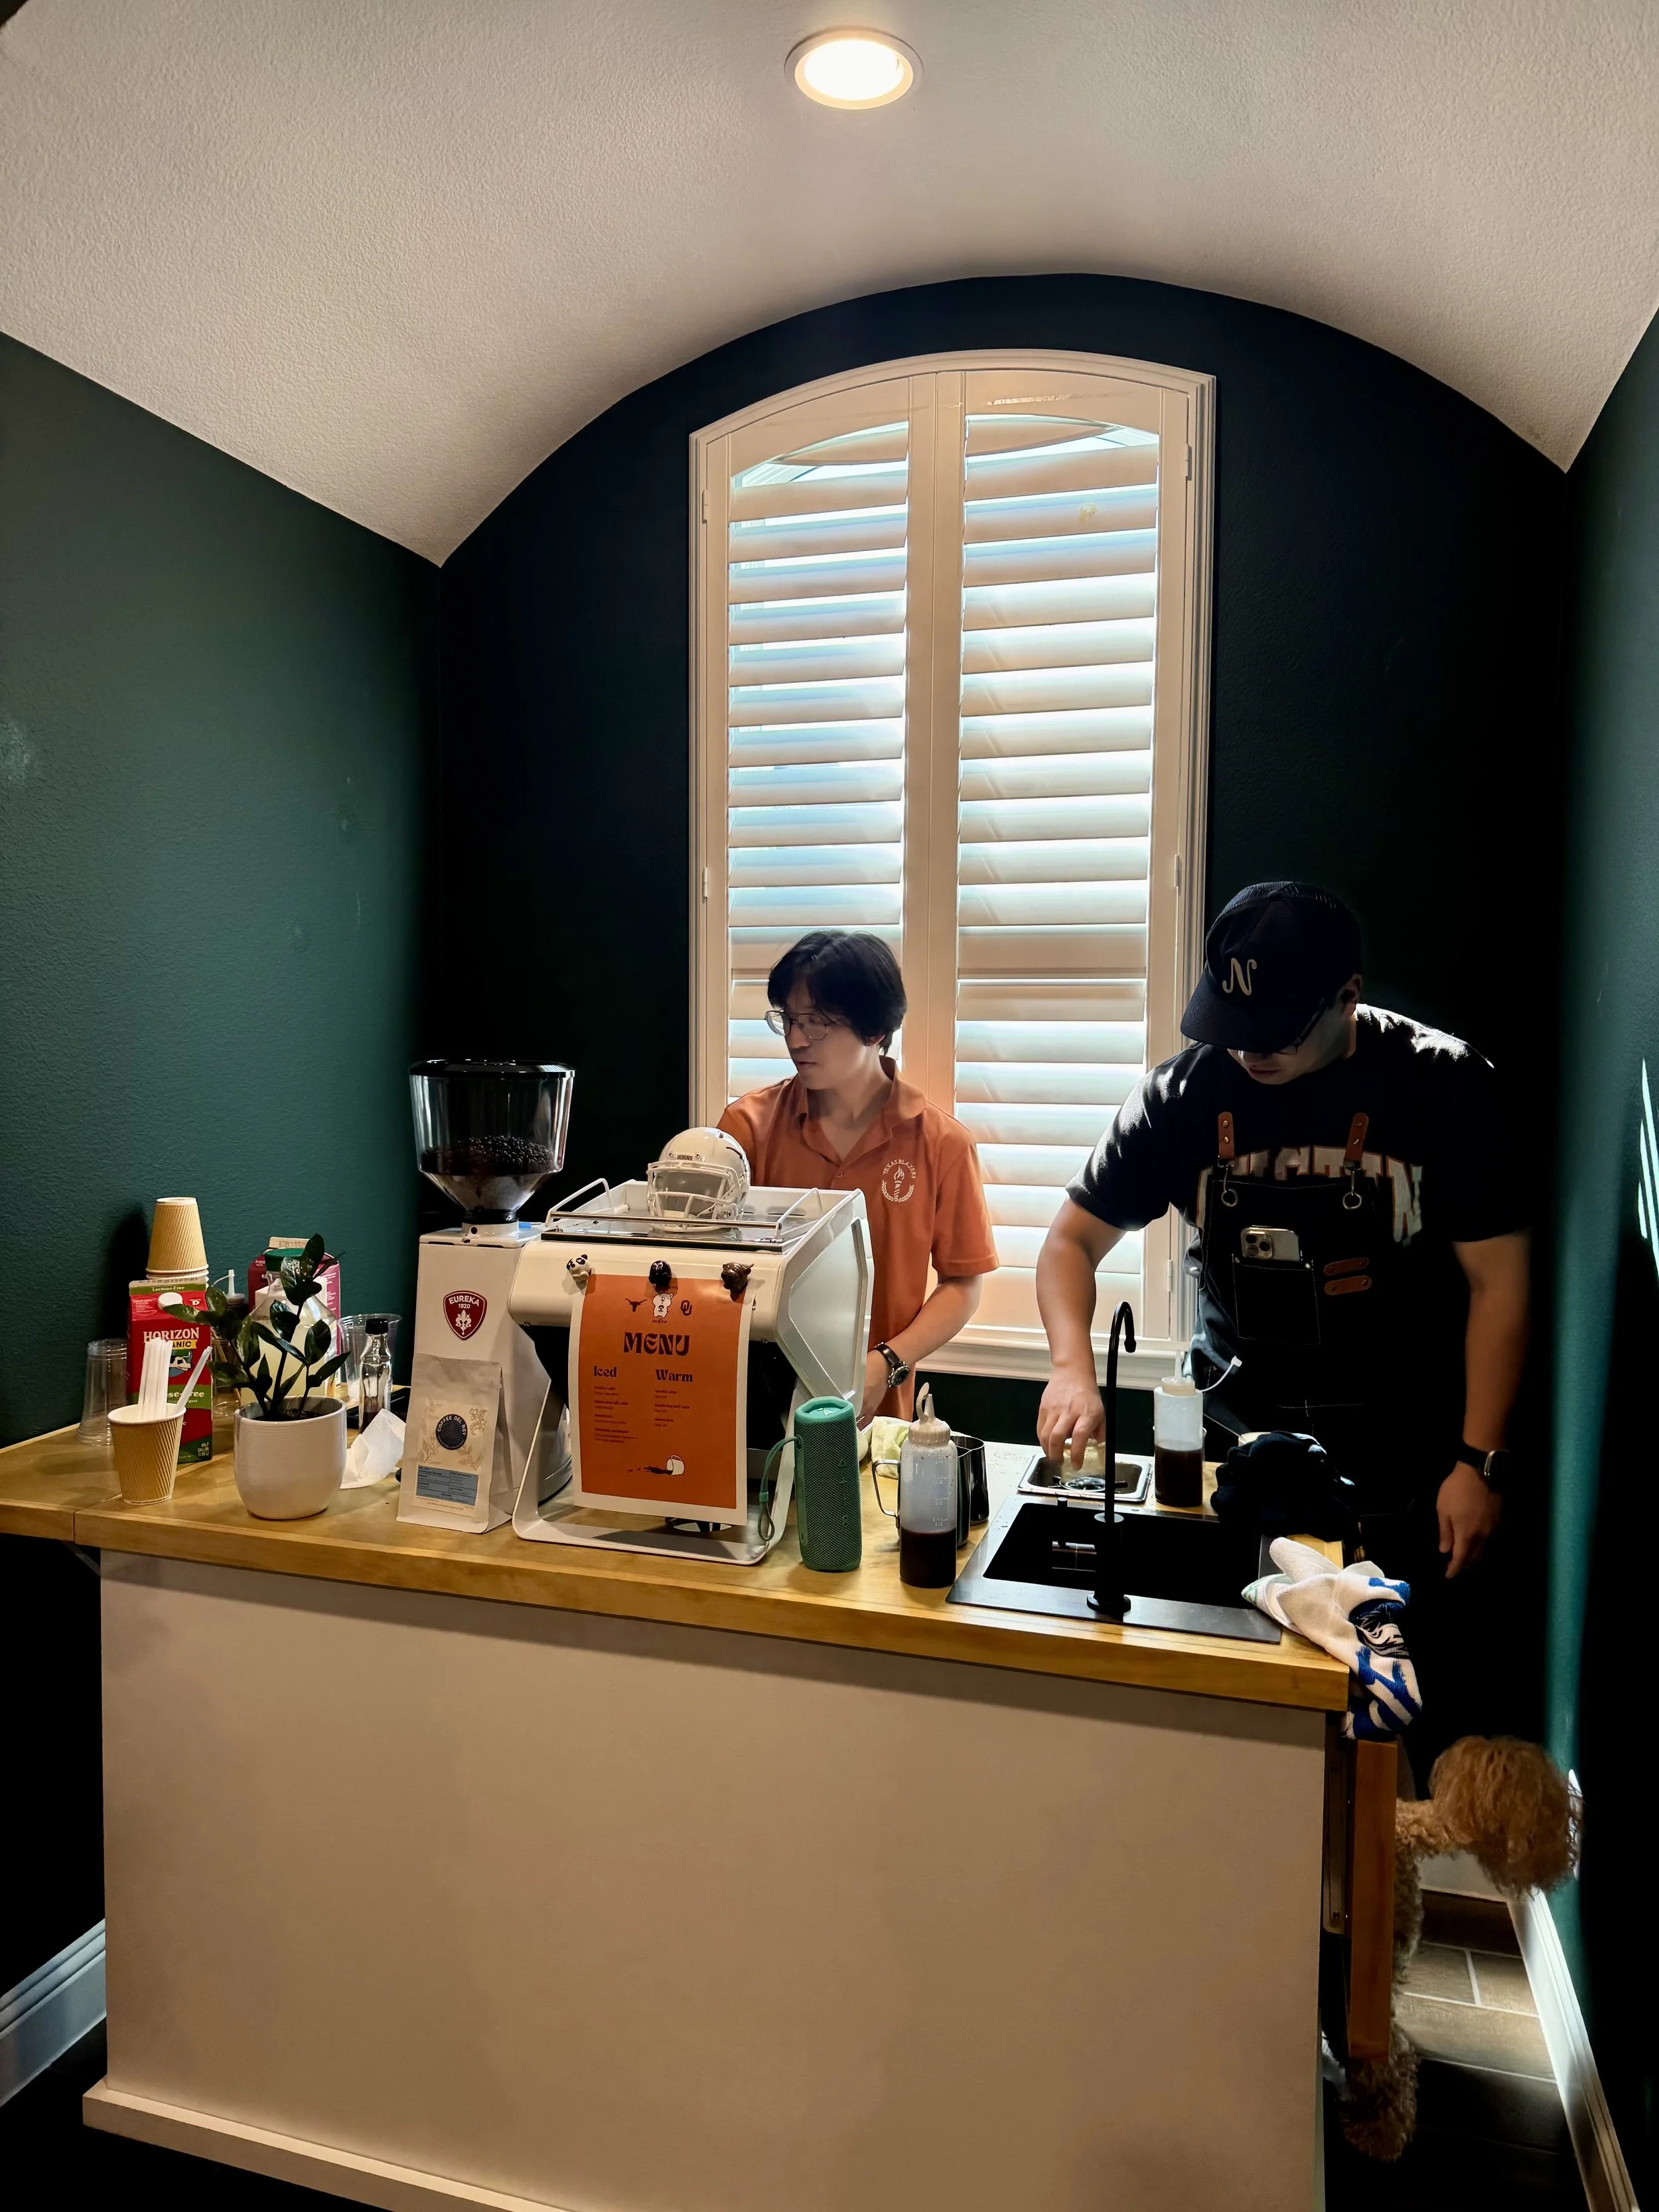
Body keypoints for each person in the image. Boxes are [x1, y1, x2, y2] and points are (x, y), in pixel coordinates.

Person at [1034, 881, 1530, 1769]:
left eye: (1277, 1031)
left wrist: (1478, 1461)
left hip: (1403, 1462)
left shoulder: (1444, 1086)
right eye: (1230, 1022)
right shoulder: (1180, 1097)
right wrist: (1071, 1367)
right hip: (1238, 1450)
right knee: (1234, 1731)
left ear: (1349, 995)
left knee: (1384, 1734)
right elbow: (1070, 1242)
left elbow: (1499, 1283)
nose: (1250, 1050)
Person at [719, 931, 997, 1420]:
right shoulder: (747, 1129)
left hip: (878, 1415)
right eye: (789, 1019)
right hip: (755, 1408)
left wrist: (888, 1362)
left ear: (875, 1030)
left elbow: (963, 1283)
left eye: (818, 1023)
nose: (796, 1039)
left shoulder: (943, 1144)